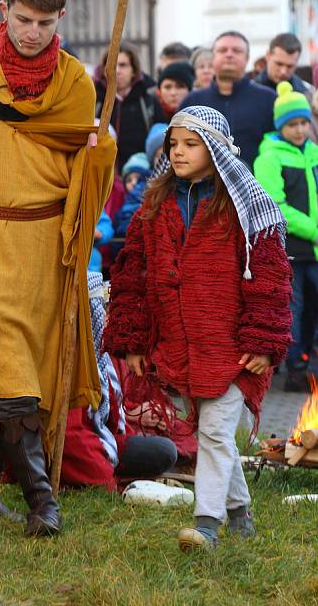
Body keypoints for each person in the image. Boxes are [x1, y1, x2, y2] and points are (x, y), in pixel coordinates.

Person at [0, 0, 115, 537]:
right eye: (22, 19)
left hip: (44, 242)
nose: (31, 32)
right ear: (3, 8)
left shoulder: (74, 83)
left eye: (44, 22)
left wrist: (99, 151)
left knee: (23, 372)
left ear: (60, 17)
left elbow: (83, 158)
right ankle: (45, 502)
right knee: (5, 362)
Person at [104, 105, 292, 552]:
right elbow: (133, 274)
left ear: (216, 149)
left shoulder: (247, 208)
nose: (179, 152)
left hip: (232, 344)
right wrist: (133, 339)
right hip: (181, 341)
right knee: (213, 429)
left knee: (213, 431)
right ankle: (241, 514)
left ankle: (206, 525)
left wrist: (264, 341)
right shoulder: (155, 204)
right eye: (174, 144)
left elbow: (270, 277)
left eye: (191, 144)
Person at [60, 272, 178, 489]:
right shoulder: (72, 361)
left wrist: (155, 412)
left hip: (109, 437)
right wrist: (108, 481)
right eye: (100, 309)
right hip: (84, 446)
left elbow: (114, 413)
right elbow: (71, 434)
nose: (106, 317)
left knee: (166, 450)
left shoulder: (103, 353)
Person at [254, 82, 318, 392]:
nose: (300, 129)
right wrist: (314, 230)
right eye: (293, 124)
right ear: (281, 125)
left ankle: (311, 365)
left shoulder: (314, 153)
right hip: (291, 249)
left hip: (316, 251)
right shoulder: (269, 157)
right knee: (293, 310)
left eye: (304, 122)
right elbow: (276, 206)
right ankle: (294, 369)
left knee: (313, 310)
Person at [181, 31, 276, 168]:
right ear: (213, 57)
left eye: (237, 51)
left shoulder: (268, 99)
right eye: (222, 50)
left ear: (247, 58)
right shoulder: (192, 102)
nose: (229, 54)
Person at [94, 42, 164, 168]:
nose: (117, 70)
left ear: (134, 70)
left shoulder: (148, 100)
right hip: (102, 175)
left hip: (141, 175)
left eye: (123, 65)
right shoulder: (94, 98)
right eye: (111, 64)